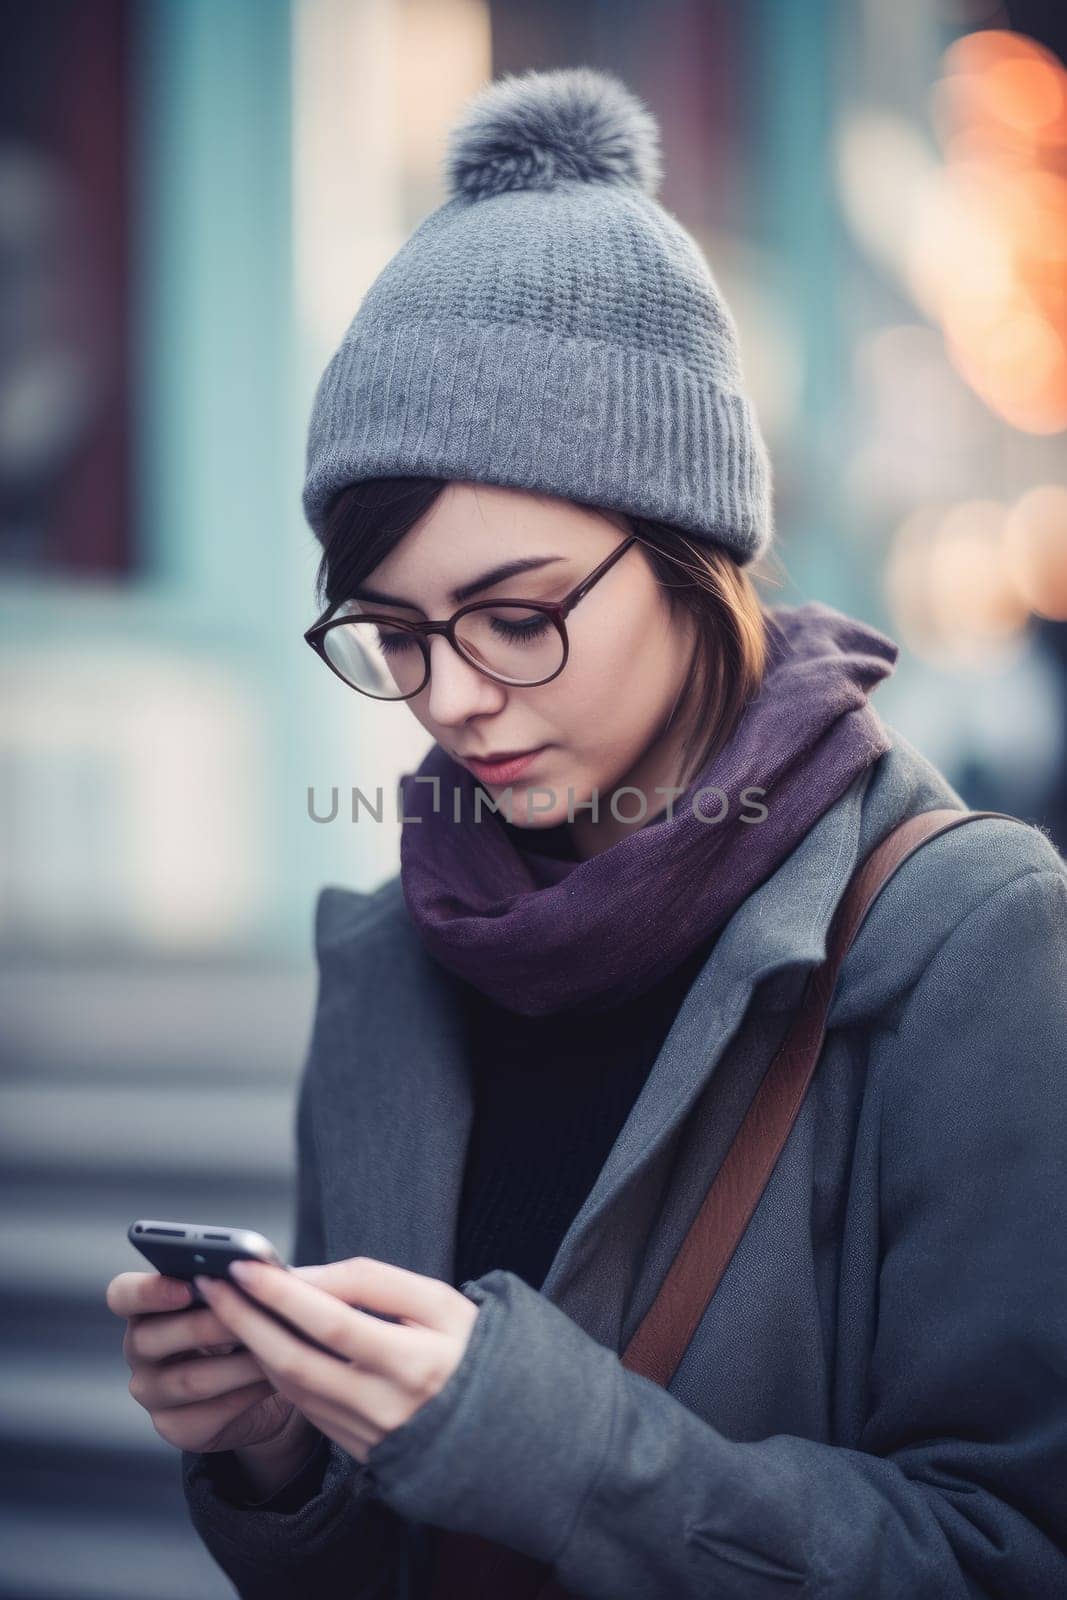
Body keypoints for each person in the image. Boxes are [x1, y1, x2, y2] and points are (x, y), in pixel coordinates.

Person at [106, 66, 1067, 1599]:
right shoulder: (386, 956)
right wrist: (282, 1453)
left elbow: (1008, 1552)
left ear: (696, 551)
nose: (454, 700)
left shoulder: (970, 936)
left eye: (516, 615)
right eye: (395, 634)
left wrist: (530, 1433)